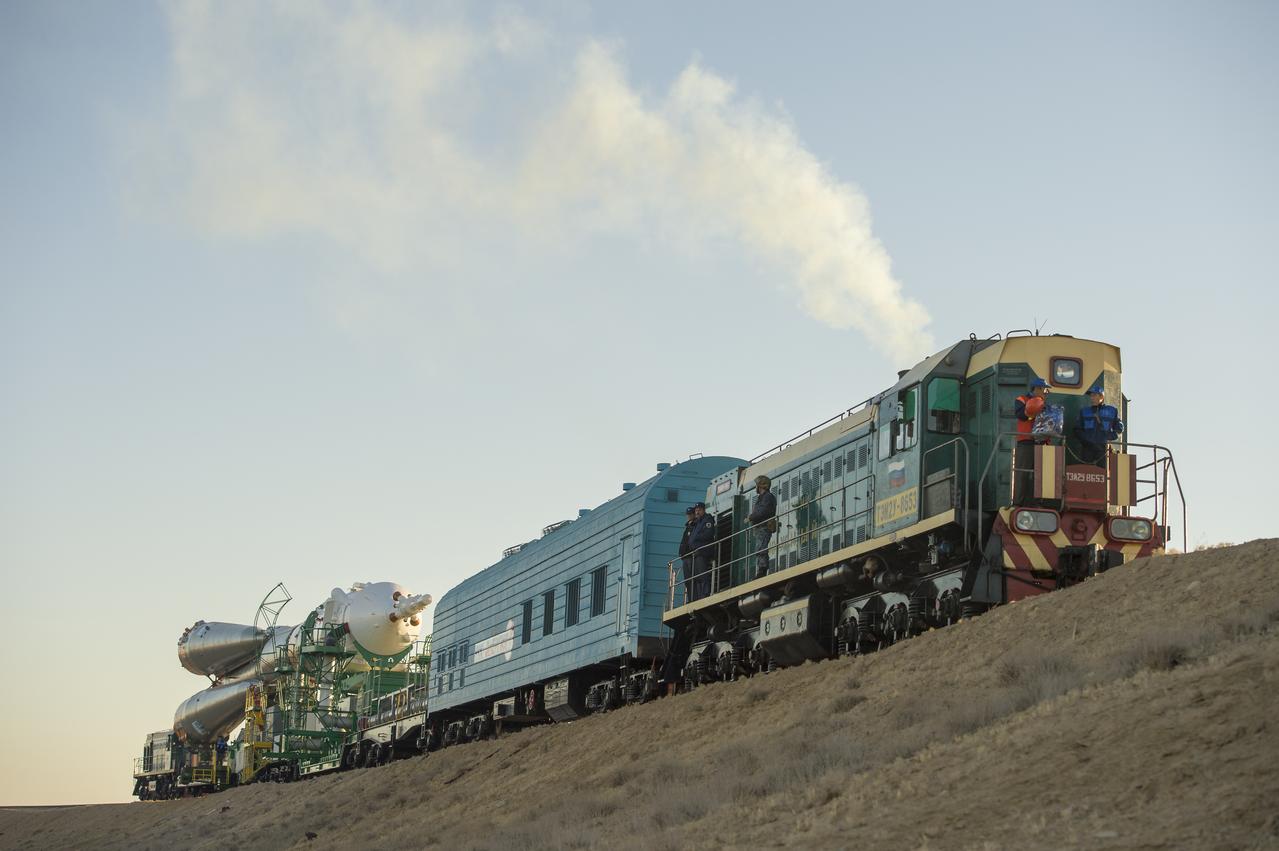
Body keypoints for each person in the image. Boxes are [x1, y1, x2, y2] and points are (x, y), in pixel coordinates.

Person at [1013, 378, 1049, 504]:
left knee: (1041, 475)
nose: (1046, 392)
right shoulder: (1021, 399)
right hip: (1026, 441)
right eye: (1044, 389)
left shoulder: (1045, 404)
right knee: (1022, 473)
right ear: (1037, 389)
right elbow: (1021, 415)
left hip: (1042, 442)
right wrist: (1034, 408)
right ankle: (1018, 503)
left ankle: (1038, 503)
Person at [1075, 384, 1124, 466]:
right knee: (1086, 469)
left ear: (1102, 397)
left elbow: (1119, 429)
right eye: (1091, 396)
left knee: (1102, 471)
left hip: (1103, 449)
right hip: (1087, 448)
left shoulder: (1111, 411)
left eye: (1094, 395)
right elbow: (1077, 429)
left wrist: (1107, 437)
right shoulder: (1084, 411)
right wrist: (1086, 440)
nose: (1092, 398)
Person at [746, 475, 777, 579]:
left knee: (761, 547)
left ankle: (762, 569)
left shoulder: (767, 497)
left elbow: (763, 511)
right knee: (759, 547)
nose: (756, 487)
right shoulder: (762, 497)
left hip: (764, 526)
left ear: (761, 485)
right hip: (760, 527)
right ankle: (761, 568)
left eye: (757, 485)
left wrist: (751, 517)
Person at [686, 502, 717, 601]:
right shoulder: (698, 522)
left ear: (703, 510)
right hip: (696, 552)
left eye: (699, 510)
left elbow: (708, 533)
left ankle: (705, 593)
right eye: (696, 510)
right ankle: (699, 596)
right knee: (697, 576)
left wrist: (696, 538)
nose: (697, 512)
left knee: (703, 575)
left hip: (703, 551)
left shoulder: (707, 520)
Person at [678, 506, 695, 603]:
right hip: (685, 556)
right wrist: (681, 552)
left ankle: (693, 598)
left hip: (690, 556)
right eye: (688, 514)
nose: (689, 516)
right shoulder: (687, 526)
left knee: (692, 578)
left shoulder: (694, 526)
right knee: (687, 580)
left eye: (690, 514)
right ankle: (690, 598)